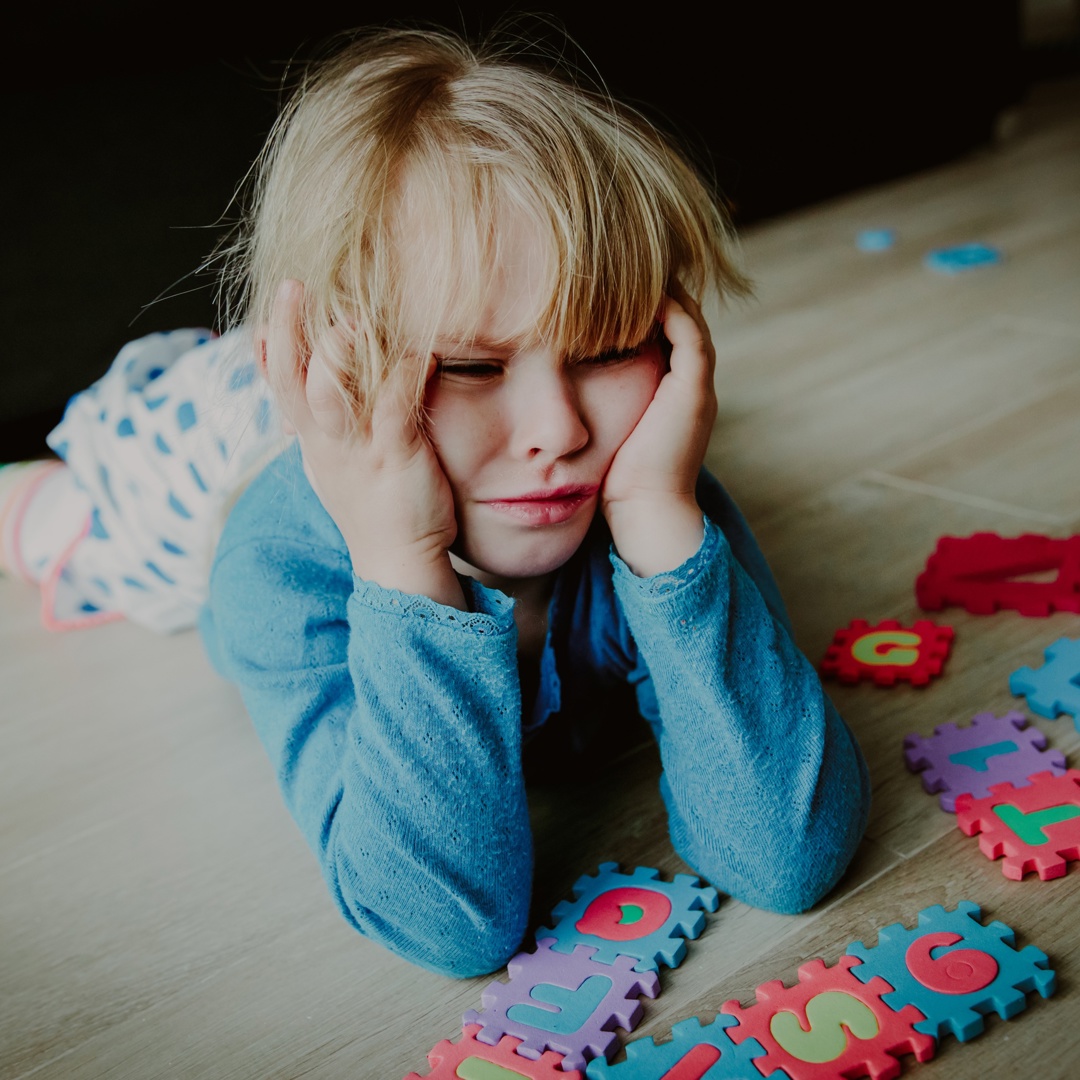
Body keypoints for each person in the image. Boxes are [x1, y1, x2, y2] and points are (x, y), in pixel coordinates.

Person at [1, 24, 870, 977]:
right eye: (469, 364)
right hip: (204, 456)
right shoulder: (274, 568)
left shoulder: (657, 497)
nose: (560, 430)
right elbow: (447, 927)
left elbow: (786, 857)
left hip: (361, 399)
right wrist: (402, 565)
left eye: (609, 346)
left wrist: (664, 522)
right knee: (87, 530)